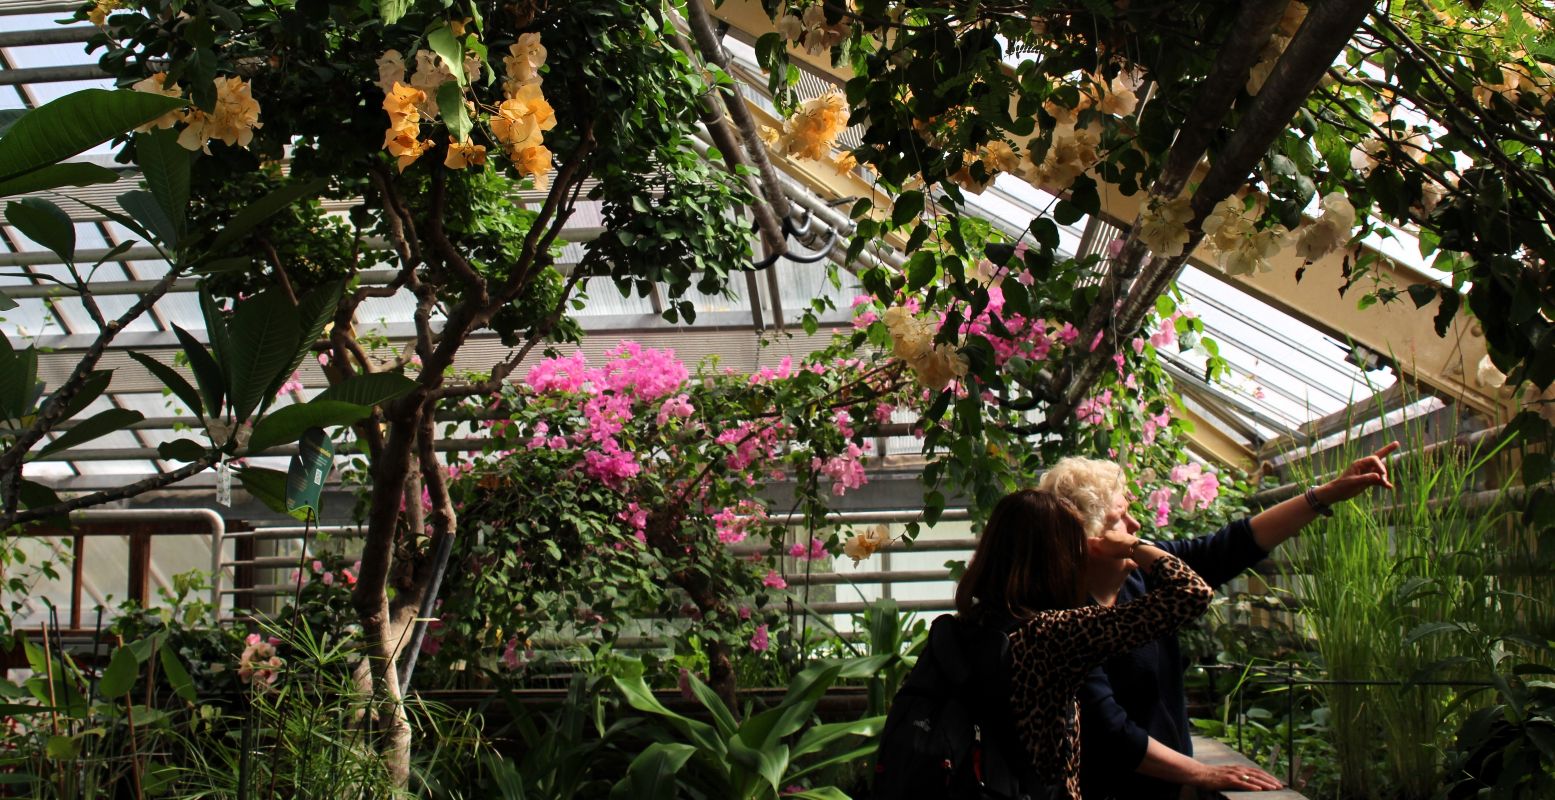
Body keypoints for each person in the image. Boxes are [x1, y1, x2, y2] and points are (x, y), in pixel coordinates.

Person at [1038, 444, 1398, 799]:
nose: (1136, 525)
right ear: (1094, 538)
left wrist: (1326, 494)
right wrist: (1203, 774)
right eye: (1122, 517)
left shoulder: (1141, 579)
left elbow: (1231, 546)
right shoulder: (1068, 620)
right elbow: (1110, 730)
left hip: (1168, 786)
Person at [952, 489, 1215, 800]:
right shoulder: (1052, 634)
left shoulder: (969, 625)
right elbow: (1191, 593)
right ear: (1055, 557)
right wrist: (1133, 546)